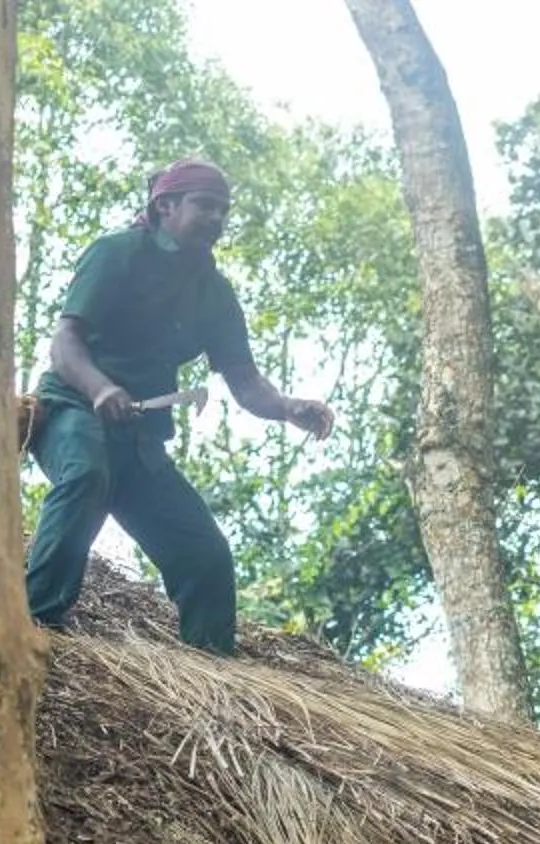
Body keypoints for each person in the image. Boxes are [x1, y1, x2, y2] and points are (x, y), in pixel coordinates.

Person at [24, 159, 334, 656]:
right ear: (165, 206)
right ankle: (34, 622)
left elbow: (246, 381)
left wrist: (288, 407)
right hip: (73, 411)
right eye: (204, 205)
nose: (215, 218)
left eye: (222, 210)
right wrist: (101, 389)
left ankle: (214, 668)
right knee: (86, 475)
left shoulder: (214, 293)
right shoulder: (115, 254)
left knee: (204, 553)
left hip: (140, 440)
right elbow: (65, 343)